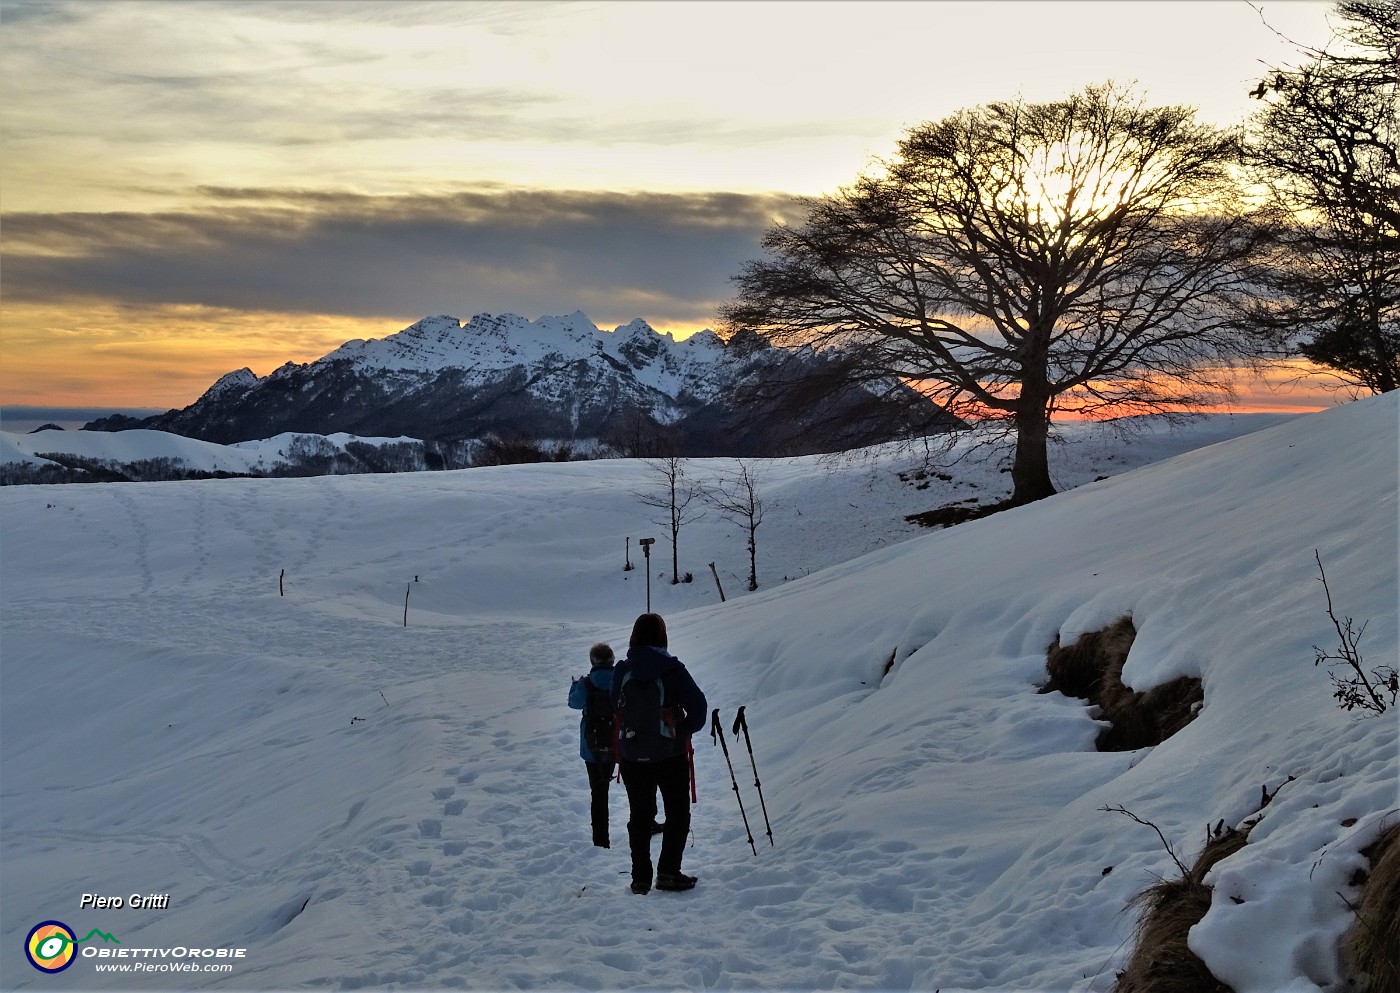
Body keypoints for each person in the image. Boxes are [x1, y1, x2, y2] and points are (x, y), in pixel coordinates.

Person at [612, 612, 708, 894]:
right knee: (677, 813)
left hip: (631, 753)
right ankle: (668, 872)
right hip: (670, 754)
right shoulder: (673, 669)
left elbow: (614, 704)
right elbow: (699, 708)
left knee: (639, 815)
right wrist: (684, 729)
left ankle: (640, 877)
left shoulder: (622, 669)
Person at [568, 643, 619, 848]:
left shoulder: (586, 684)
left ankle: (600, 840)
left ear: (593, 661)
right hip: (617, 744)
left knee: (598, 792)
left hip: (591, 748)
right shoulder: (620, 680)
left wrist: (574, 686)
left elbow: (574, 703)